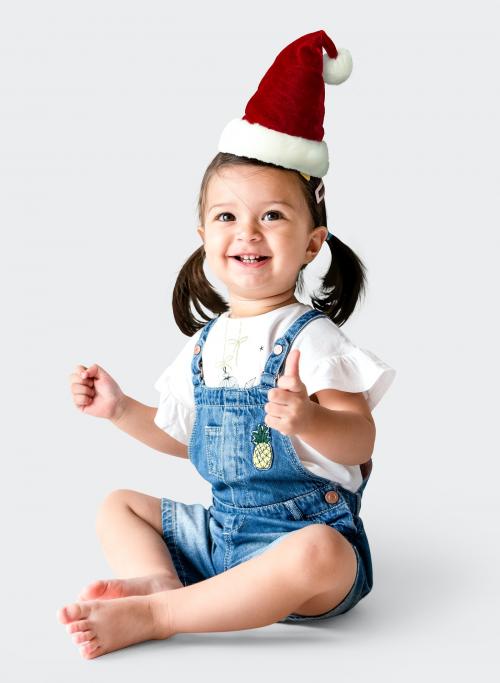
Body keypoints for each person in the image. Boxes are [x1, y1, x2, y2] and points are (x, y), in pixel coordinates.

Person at [57, 29, 396, 659]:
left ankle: (161, 612)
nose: (249, 232)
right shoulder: (204, 345)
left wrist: (311, 418)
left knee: (322, 554)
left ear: (313, 242)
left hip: (302, 539)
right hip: (224, 533)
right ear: (203, 235)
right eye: (227, 216)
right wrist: (121, 409)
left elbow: (361, 439)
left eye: (273, 215)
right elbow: (184, 437)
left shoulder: (312, 337)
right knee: (118, 505)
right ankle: (163, 578)